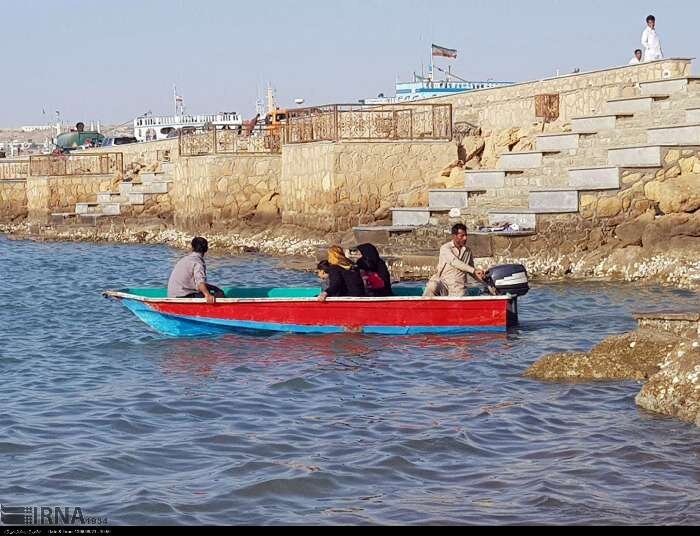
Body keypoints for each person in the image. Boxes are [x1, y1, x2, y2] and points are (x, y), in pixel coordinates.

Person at [423, 224, 485, 297]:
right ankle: (423, 305)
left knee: (462, 293)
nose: (465, 238)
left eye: (466, 235)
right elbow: (454, 262)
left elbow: (471, 270)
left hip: (458, 288)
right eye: (462, 236)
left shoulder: (468, 251)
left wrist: (483, 278)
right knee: (432, 285)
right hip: (444, 285)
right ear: (454, 236)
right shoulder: (445, 248)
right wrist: (474, 270)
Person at [167, 237, 224, 303]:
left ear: (192, 248)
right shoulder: (198, 263)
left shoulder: (184, 259)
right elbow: (200, 283)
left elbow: (195, 282)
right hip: (182, 296)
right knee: (220, 294)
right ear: (206, 249)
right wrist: (207, 295)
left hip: (173, 295)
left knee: (213, 289)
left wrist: (212, 287)